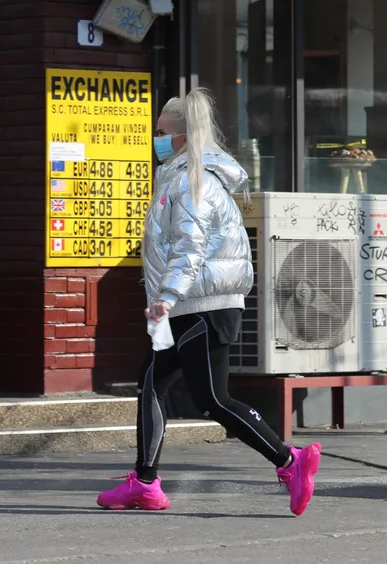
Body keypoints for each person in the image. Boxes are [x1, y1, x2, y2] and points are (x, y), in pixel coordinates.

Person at [96, 88, 322, 516]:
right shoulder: (181, 176)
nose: (156, 140)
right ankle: (145, 481)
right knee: (152, 383)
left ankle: (289, 460)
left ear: (182, 136)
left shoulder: (191, 181)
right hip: (193, 304)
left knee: (212, 399)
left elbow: (190, 246)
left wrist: (167, 296)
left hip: (201, 305)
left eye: (162, 133)